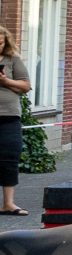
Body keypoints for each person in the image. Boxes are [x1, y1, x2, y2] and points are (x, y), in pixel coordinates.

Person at [0, 29, 30, 216]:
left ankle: (8, 203)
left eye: (1, 43)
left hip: (9, 116)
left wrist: (5, 81)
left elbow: (25, 85)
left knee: (9, 156)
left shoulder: (12, 60)